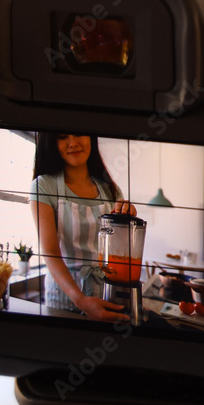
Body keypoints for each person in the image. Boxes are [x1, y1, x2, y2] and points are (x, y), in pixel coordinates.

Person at [30, 133, 135, 321]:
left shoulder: (110, 189)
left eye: (79, 133)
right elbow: (50, 251)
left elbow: (120, 249)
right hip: (65, 296)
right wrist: (80, 300)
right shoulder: (44, 186)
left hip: (105, 293)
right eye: (62, 136)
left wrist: (127, 217)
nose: (73, 143)